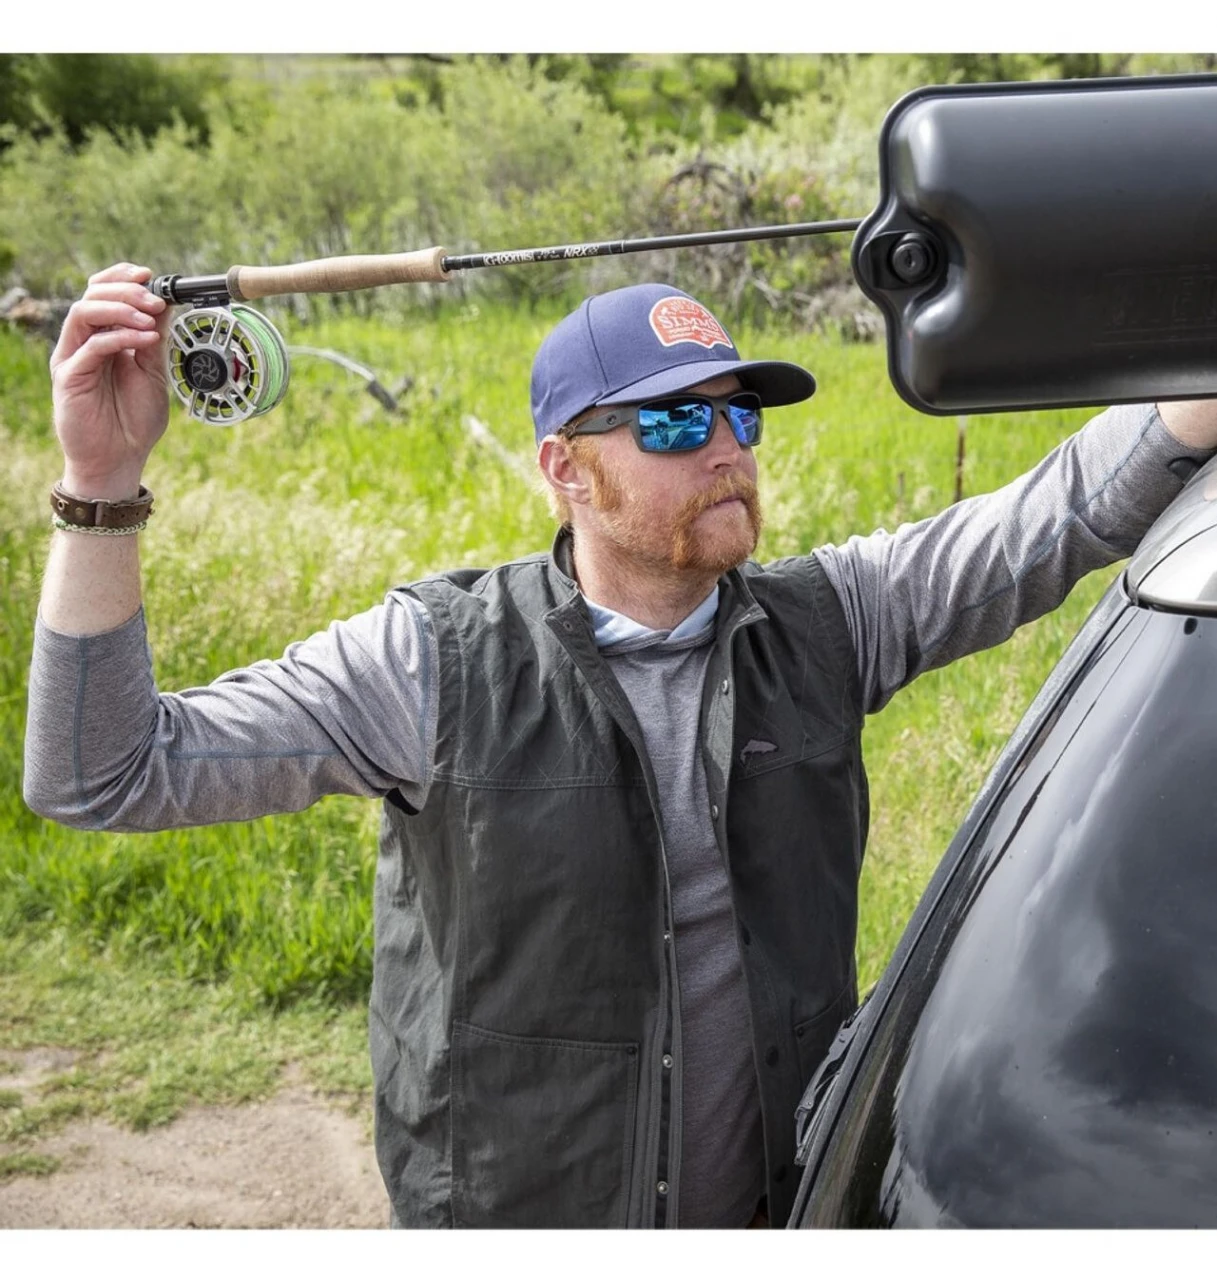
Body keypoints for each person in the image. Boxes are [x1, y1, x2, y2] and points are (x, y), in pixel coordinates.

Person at [23, 263, 1217, 1230]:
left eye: (739, 413)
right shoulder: (431, 662)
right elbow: (102, 772)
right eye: (674, 419)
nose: (726, 447)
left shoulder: (830, 622)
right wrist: (101, 484)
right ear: (565, 468)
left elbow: (1066, 510)